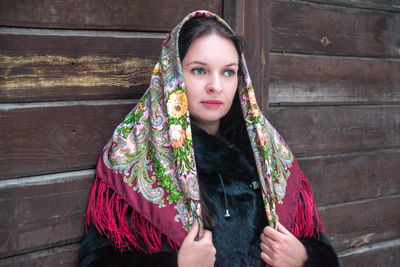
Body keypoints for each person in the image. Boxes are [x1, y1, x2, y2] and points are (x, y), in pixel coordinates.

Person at [79, 10, 340, 267]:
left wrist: (306, 259)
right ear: (174, 75)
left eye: (228, 72)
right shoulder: (133, 154)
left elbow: (320, 245)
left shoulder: (267, 149)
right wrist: (175, 264)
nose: (216, 85)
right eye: (199, 70)